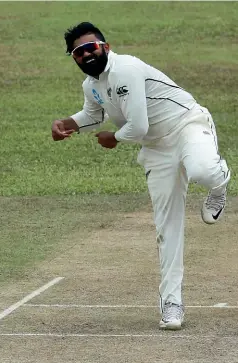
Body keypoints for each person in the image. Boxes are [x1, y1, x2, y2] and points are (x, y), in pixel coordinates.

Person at [51, 22, 231, 330]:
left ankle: (220, 180)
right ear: (74, 58)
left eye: (91, 47)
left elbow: (137, 127)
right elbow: (94, 114)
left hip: (187, 124)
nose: (87, 55)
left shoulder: (126, 69)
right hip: (157, 150)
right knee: (167, 226)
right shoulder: (90, 85)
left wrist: (115, 139)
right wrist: (67, 123)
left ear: (105, 46)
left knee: (203, 170)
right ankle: (172, 303)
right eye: (79, 52)